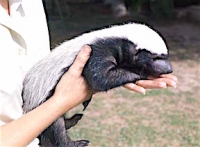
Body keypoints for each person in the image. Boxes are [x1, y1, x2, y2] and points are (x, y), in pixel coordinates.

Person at [0, 0, 178, 146]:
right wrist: (60, 102)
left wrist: (124, 73)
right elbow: (98, 80)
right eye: (154, 59)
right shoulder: (105, 48)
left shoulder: (29, 4)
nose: (165, 68)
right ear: (134, 50)